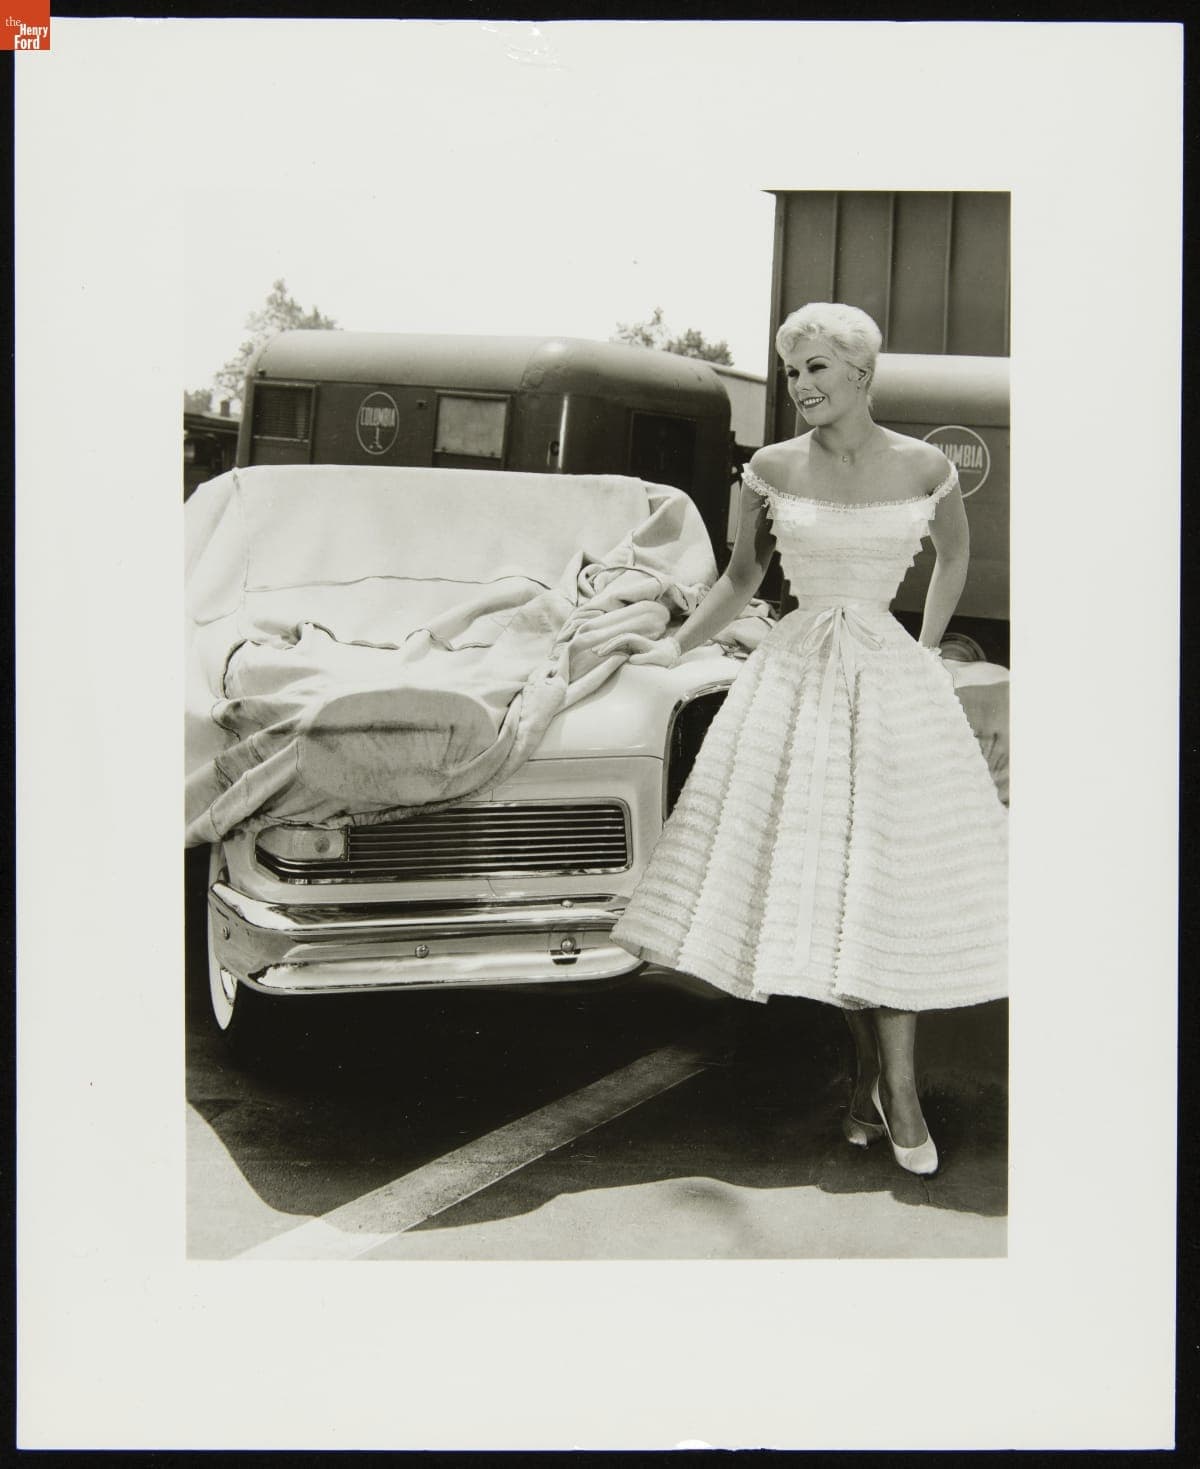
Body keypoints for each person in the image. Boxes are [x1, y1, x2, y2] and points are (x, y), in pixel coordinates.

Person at [601, 302, 1007, 1177]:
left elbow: (955, 556)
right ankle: (872, 1080)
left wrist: (929, 648)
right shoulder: (771, 467)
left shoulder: (926, 464)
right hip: (796, 683)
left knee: (886, 885)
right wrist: (671, 645)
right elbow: (744, 575)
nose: (800, 386)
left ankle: (895, 1090)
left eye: (817, 368)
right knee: (828, 890)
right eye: (791, 372)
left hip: (889, 679)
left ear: (862, 373)